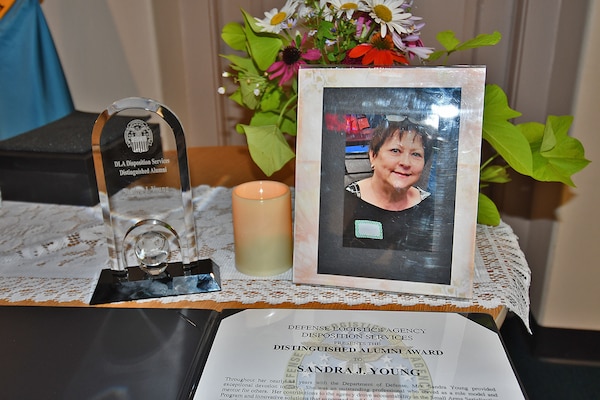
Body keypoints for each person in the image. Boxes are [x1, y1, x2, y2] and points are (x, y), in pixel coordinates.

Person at [343, 117, 435, 251]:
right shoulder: (344, 202)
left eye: (416, 154)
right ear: (373, 155)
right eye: (395, 151)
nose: (406, 163)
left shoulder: (430, 208)